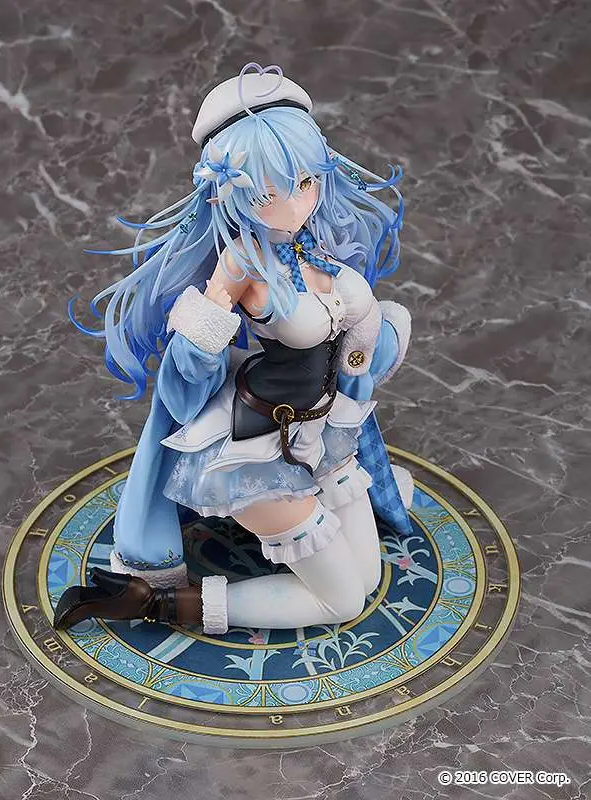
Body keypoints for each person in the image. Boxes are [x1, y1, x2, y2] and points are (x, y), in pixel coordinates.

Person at [53, 63, 414, 636]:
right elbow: (186, 372)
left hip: (320, 432)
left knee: (368, 578)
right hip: (260, 450)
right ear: (230, 190)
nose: (294, 204)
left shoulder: (311, 246)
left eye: (305, 181)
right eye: (267, 192)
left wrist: (369, 346)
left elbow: (352, 332)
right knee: (345, 602)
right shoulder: (242, 264)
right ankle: (156, 605)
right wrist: (208, 322)